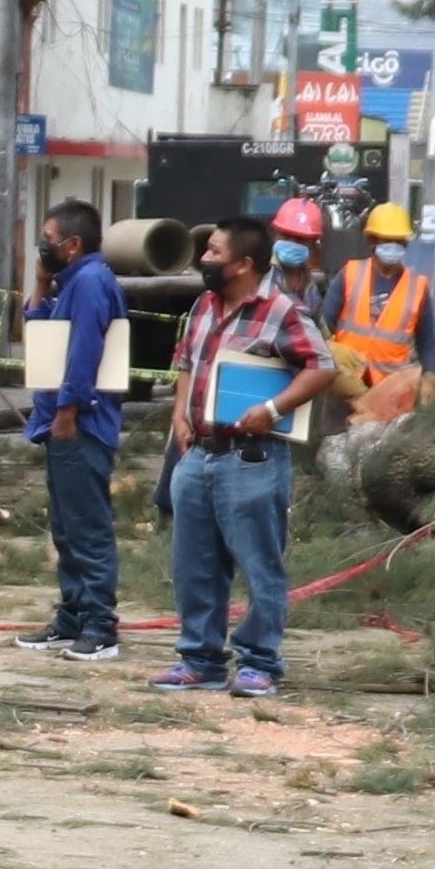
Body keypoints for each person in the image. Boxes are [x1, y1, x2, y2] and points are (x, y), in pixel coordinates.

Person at [157, 212, 324, 699]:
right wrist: (179, 417)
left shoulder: (283, 310)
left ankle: (260, 662)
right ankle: (200, 659)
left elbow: (320, 369)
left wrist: (272, 409)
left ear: (243, 264)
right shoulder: (203, 306)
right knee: (194, 562)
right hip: (198, 453)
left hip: (252, 458)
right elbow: (186, 363)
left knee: (259, 562)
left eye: (214, 253)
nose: (204, 260)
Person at [19, 198, 128, 662]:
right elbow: (41, 333)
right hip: (56, 423)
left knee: (87, 529)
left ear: (73, 244)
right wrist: (41, 285)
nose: (43, 248)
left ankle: (100, 625)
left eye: (48, 241)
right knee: (65, 528)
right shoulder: (69, 282)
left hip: (80, 424)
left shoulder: (90, 283)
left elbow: (84, 350)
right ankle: (73, 616)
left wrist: (68, 411)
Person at [326, 200, 435, 425]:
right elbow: (323, 326)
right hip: (345, 386)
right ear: (372, 241)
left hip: (391, 393)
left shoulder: (417, 287)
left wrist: (431, 374)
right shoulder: (349, 274)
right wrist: (331, 356)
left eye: (399, 241)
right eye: (387, 241)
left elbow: (426, 341)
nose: (393, 247)